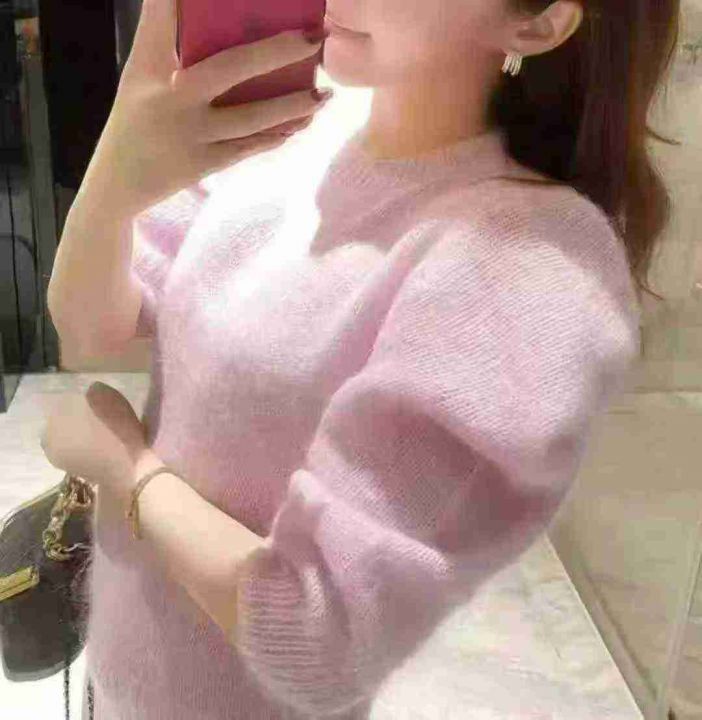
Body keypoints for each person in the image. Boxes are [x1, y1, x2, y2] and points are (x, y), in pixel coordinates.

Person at [44, 0, 680, 718]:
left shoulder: (526, 262)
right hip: (119, 678)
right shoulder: (298, 124)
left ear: (536, 23)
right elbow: (90, 329)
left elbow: (319, 640)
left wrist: (125, 469)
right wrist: (114, 178)